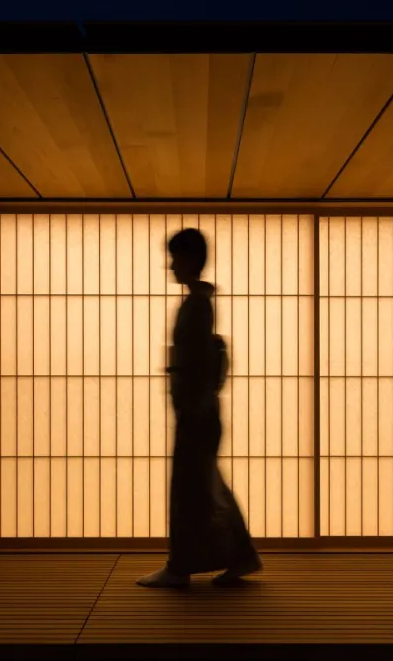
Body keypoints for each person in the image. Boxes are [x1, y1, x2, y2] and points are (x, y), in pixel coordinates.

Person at [137, 228, 262, 589]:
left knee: (191, 492)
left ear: (191, 260)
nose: (170, 265)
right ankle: (241, 557)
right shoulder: (199, 303)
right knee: (206, 488)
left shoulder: (197, 306)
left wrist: (188, 405)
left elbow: (194, 366)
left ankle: (181, 568)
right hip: (199, 410)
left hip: (196, 411)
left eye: (175, 258)